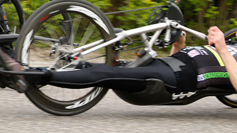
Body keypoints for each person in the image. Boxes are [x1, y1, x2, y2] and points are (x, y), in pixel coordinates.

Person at [32, 27, 237, 94]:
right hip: (170, 63)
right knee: (90, 65)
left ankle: (41, 77)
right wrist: (179, 45)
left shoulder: (228, 51)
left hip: (178, 76)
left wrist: (221, 48)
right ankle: (32, 69)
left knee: (106, 74)